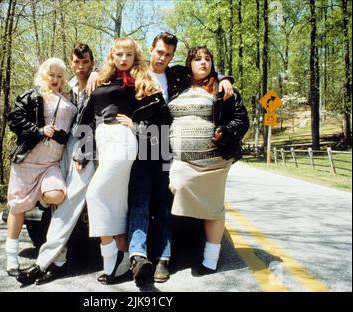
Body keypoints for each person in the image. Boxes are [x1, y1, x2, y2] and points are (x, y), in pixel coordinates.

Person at [127, 32, 235, 285]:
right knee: (140, 199)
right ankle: (138, 255)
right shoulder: (135, 73)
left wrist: (225, 78)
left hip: (167, 147)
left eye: (168, 54)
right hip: (141, 144)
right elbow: (111, 74)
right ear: (151, 49)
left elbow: (204, 71)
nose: (162, 57)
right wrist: (95, 75)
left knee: (165, 202)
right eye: (159, 51)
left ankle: (163, 257)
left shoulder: (177, 76)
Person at [76, 37, 167, 285]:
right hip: (103, 143)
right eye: (119, 55)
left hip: (125, 141)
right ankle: (115, 266)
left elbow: (163, 119)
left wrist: (137, 126)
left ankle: (116, 259)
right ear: (112, 56)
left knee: (95, 194)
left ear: (134, 56)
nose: (123, 59)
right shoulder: (100, 80)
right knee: (115, 204)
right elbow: (86, 118)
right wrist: (82, 151)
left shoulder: (142, 81)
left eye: (128, 54)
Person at [16, 44, 97, 285]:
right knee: (57, 200)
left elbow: (94, 121)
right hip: (62, 148)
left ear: (92, 62)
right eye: (76, 62)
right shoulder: (68, 86)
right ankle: (59, 262)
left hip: (88, 148)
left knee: (70, 202)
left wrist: (85, 151)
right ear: (71, 63)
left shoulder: (98, 83)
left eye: (85, 62)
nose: (81, 67)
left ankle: (42, 262)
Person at [167, 46, 249, 275]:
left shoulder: (223, 90)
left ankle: (210, 259)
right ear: (189, 64)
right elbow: (154, 67)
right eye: (197, 59)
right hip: (181, 160)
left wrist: (225, 130)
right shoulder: (176, 84)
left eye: (207, 59)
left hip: (215, 161)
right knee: (178, 187)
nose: (203, 62)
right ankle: (182, 250)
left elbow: (241, 120)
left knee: (213, 208)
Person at [5, 57, 77, 276]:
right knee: (17, 208)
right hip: (28, 161)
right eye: (51, 75)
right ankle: (11, 259)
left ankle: (39, 199)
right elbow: (14, 119)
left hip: (51, 163)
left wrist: (63, 136)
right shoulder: (32, 96)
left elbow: (70, 128)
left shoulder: (69, 99)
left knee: (57, 195)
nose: (55, 79)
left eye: (59, 76)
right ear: (44, 75)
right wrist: (38, 130)